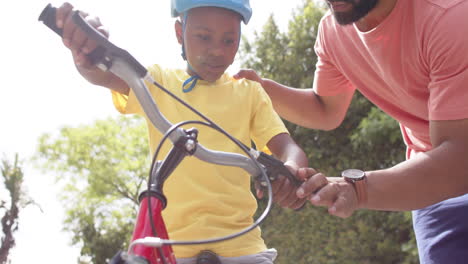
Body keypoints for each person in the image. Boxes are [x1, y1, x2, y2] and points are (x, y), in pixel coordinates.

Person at [53, 1, 310, 263]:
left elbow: (288, 148)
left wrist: (291, 172)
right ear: (180, 33)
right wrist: (87, 49)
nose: (217, 50)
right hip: (170, 249)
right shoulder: (158, 82)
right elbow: (105, 74)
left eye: (229, 40)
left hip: (242, 249)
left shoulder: (249, 92)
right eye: (204, 37)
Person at [234, 0, 468, 263]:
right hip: (432, 190)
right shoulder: (334, 30)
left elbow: (458, 161)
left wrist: (358, 190)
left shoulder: (449, 16)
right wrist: (263, 90)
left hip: (450, 168)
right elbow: (325, 109)